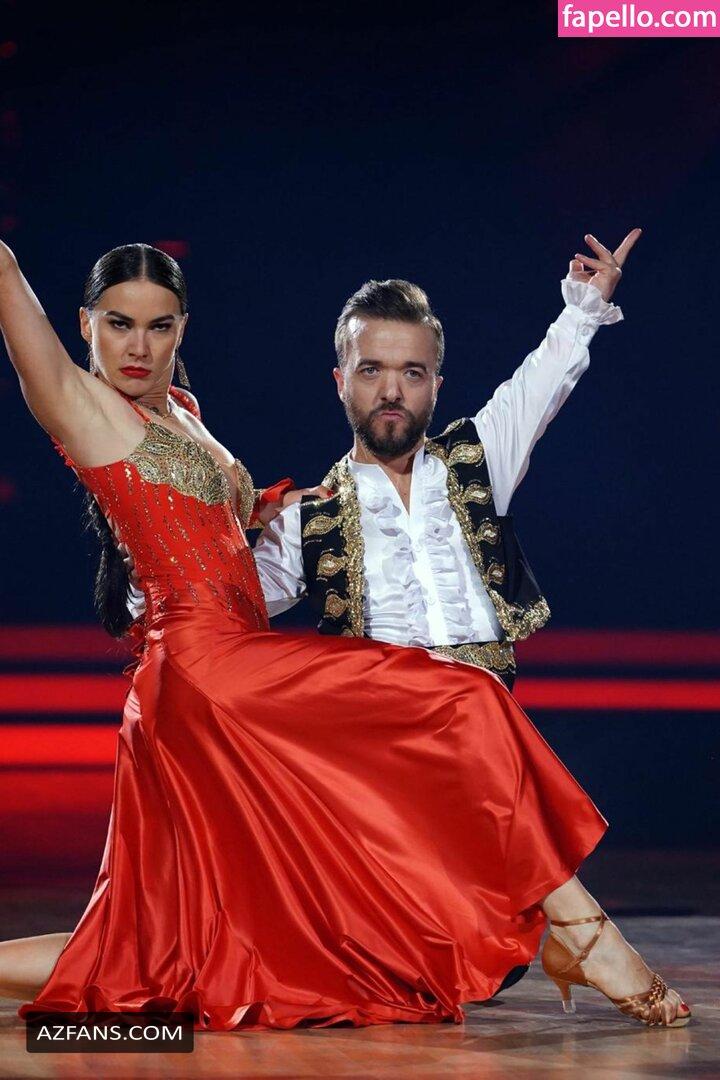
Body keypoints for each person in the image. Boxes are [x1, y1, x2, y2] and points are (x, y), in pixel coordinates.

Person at [0, 239, 690, 1030]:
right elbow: (10, 284)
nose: (138, 346)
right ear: (84, 324)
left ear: (182, 328)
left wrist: (256, 511)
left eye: (159, 327)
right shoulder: (86, 408)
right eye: (118, 324)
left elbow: (216, 548)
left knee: (157, 947)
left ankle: (549, 927)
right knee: (464, 703)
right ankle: (587, 934)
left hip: (238, 673)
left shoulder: (183, 414)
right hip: (214, 671)